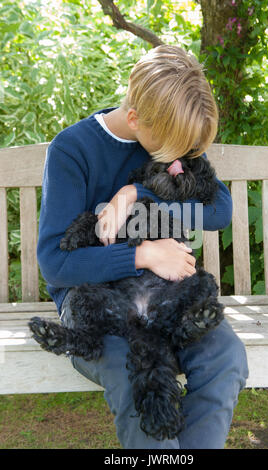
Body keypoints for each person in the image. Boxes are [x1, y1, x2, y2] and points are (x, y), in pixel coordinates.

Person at [37, 45, 249, 449]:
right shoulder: (72, 150)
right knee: (133, 376)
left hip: (166, 298)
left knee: (225, 358)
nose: (179, 157)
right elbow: (56, 264)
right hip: (94, 305)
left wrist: (136, 193)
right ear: (135, 118)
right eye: (173, 147)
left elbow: (218, 210)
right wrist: (143, 255)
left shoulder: (170, 134)